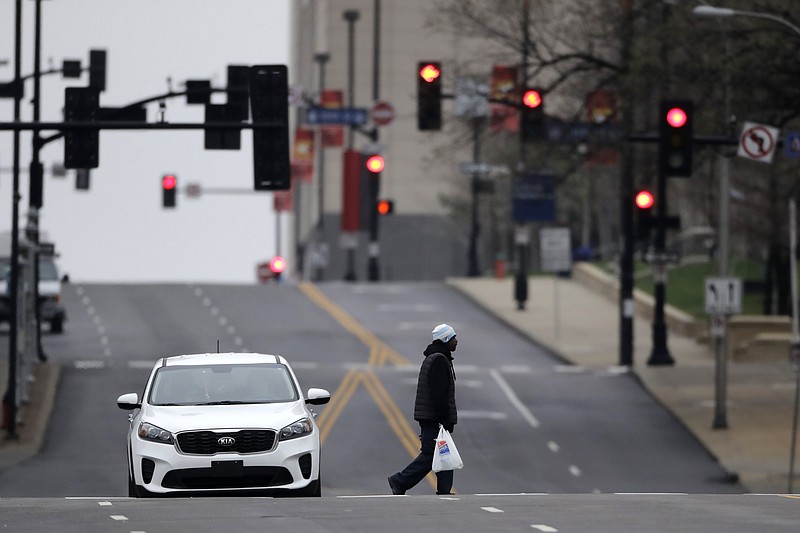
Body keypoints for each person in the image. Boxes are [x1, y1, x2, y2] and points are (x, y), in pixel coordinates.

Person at [388, 323, 458, 495]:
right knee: (431, 455)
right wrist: (444, 418)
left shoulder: (437, 358)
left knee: (443, 453)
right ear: (446, 339)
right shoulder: (439, 360)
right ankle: (399, 481)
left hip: (432, 417)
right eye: (453, 338)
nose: (457, 341)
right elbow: (438, 393)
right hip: (434, 418)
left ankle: (444, 490)